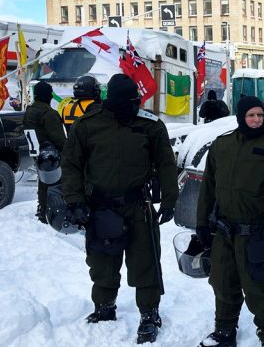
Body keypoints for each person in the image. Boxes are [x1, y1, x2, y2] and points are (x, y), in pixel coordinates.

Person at [61, 74, 179, 344]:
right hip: (101, 205)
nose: (133, 107)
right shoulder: (88, 125)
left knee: (145, 262)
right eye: (128, 103)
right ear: (111, 101)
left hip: (138, 205)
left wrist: (170, 199)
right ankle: (104, 306)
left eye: (136, 102)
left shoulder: (150, 125)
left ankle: (149, 313)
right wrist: (75, 201)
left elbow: (165, 164)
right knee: (102, 260)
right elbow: (71, 165)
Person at [195, 95, 264, 347]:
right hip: (225, 231)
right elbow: (208, 186)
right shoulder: (222, 144)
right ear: (240, 117)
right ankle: (224, 331)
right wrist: (202, 222)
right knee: (223, 282)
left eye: (260, 115)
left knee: (261, 289)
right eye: (251, 115)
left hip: (260, 233)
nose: (256, 120)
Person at [24, 81, 66, 224]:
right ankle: (51, 211)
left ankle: (43, 209)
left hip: (37, 151)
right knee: (55, 183)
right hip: (51, 154)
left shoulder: (29, 111)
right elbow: (59, 139)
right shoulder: (49, 114)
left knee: (43, 182)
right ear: (47, 96)